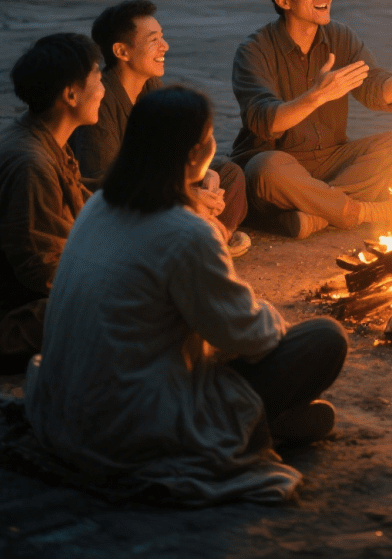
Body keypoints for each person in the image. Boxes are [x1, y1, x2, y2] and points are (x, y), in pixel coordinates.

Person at [25, 86, 347, 504]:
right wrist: (272, 318)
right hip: (134, 422)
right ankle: (251, 427)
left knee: (309, 409)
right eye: (211, 137)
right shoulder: (185, 232)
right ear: (196, 154)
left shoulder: (100, 203)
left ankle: (270, 423)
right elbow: (248, 335)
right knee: (325, 339)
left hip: (67, 408)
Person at [232, 0, 392, 240]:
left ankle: (317, 215)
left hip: (331, 159)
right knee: (265, 170)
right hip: (281, 162)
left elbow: (374, 87)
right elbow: (264, 120)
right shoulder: (254, 50)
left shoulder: (340, 37)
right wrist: (315, 96)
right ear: (284, 1)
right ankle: (360, 212)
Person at [0, 34, 102, 372]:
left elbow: (82, 199)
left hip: (17, 303)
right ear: (70, 94)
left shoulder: (40, 135)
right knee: (133, 306)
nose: (103, 88)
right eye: (98, 78)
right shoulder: (29, 163)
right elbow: (43, 272)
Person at [70, 0, 250, 257]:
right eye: (153, 40)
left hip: (157, 187)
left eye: (162, 37)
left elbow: (174, 154)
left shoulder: (150, 86)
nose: (165, 46)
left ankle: (213, 233)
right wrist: (185, 195)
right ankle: (209, 237)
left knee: (229, 173)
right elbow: (104, 185)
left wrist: (205, 175)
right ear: (122, 51)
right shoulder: (101, 100)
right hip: (125, 201)